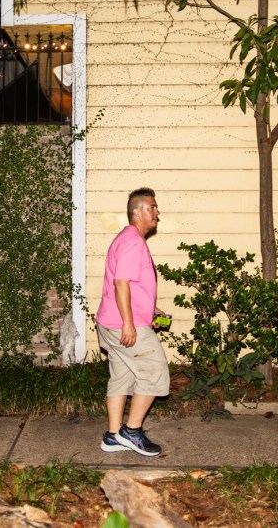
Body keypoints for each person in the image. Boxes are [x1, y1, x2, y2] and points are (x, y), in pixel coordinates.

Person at [94, 187, 170, 457]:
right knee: (155, 371)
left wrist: (150, 309)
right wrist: (129, 322)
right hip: (124, 324)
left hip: (110, 321)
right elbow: (121, 283)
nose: (157, 212)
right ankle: (131, 431)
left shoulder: (127, 238)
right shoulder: (133, 242)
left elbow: (130, 284)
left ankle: (113, 436)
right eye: (152, 207)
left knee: (121, 377)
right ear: (137, 212)